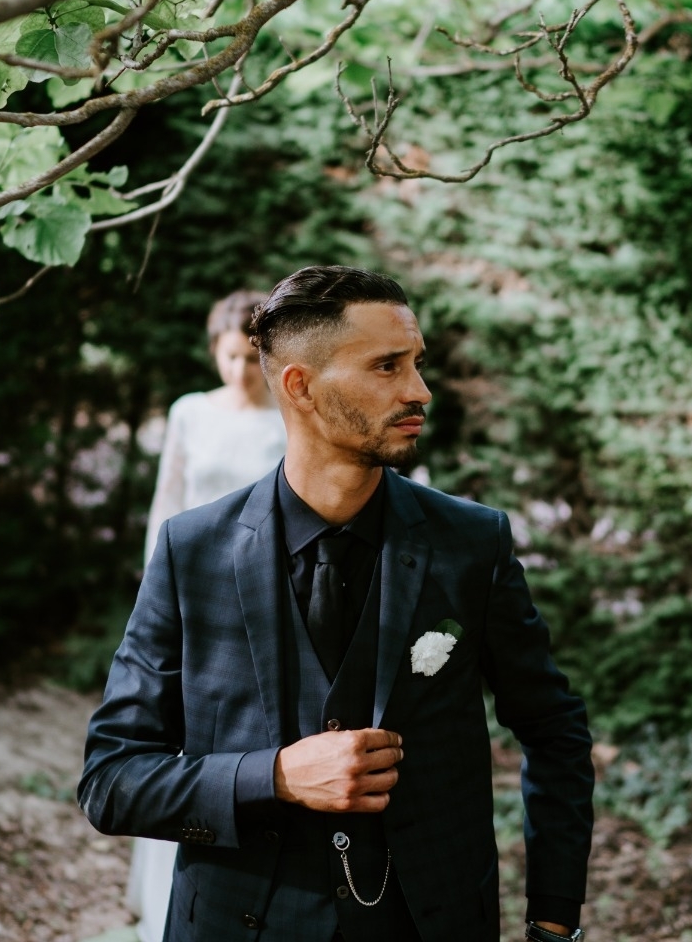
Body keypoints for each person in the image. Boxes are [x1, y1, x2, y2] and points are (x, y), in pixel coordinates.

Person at [82, 266, 593, 942]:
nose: (420, 390)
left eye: (416, 363)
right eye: (387, 366)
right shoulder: (191, 552)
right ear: (301, 387)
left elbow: (554, 732)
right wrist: (273, 777)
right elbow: (112, 780)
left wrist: (554, 923)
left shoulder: (472, 544)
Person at [130, 289, 289, 942]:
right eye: (230, 357)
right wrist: (155, 593)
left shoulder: (287, 420)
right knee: (176, 730)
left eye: (251, 359)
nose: (241, 371)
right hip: (191, 591)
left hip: (264, 596)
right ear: (213, 353)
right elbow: (167, 503)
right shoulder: (189, 412)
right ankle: (164, 898)